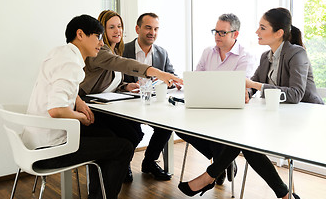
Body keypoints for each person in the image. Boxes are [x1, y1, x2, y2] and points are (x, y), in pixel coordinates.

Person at [179, 8, 323, 199]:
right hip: (278, 119)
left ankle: (210, 176)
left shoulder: (297, 54)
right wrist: (246, 93)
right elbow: (253, 87)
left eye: (262, 27)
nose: (256, 31)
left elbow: (295, 94)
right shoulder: (267, 56)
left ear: (279, 33)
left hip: (305, 120)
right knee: (245, 141)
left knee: (245, 141)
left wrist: (253, 86)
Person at [22, 14, 140, 199]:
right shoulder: (73, 63)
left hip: (35, 141)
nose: (101, 43)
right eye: (98, 36)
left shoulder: (59, 53)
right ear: (80, 34)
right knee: (123, 147)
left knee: (108, 138)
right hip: (50, 149)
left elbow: (58, 87)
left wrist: (78, 101)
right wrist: (81, 117)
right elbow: (56, 109)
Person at [78, 10, 182, 182]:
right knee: (132, 133)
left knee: (149, 129)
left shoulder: (115, 49)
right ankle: (119, 167)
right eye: (111, 27)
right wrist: (155, 72)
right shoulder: (100, 50)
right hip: (91, 106)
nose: (117, 30)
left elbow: (110, 81)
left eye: (119, 26)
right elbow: (123, 64)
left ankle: (140, 163)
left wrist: (126, 86)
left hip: (116, 103)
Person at [176, 13, 258, 185]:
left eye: (222, 32)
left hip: (231, 113)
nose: (217, 36)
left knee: (217, 131)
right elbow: (197, 79)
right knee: (179, 127)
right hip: (206, 108)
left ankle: (219, 165)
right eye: (215, 31)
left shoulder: (245, 56)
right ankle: (223, 161)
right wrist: (186, 84)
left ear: (235, 34)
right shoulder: (208, 52)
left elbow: (240, 88)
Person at [122, 13, 176, 181]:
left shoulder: (162, 53)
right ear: (137, 29)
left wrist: (172, 82)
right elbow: (115, 79)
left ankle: (149, 162)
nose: (152, 32)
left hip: (153, 104)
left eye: (156, 28)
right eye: (148, 28)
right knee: (132, 131)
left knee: (166, 126)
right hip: (127, 104)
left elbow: (171, 75)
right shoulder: (123, 50)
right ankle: (124, 165)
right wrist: (127, 87)